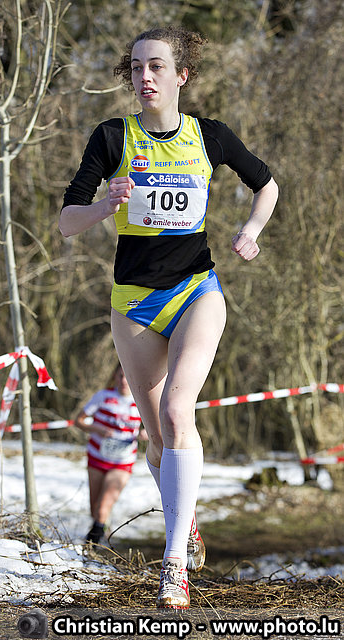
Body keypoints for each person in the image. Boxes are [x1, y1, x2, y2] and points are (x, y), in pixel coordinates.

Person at [59, 26, 278, 609]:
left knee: (179, 412)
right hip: (133, 304)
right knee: (156, 435)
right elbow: (66, 221)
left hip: (195, 291)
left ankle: (174, 564)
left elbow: (267, 185)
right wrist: (104, 205)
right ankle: (189, 519)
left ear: (182, 75)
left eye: (156, 66)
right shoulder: (113, 137)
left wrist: (251, 230)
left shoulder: (210, 136)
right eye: (135, 67)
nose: (144, 77)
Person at [74, 364, 147, 544]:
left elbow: (157, 428)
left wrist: (148, 434)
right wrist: (96, 428)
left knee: (102, 509)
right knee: (95, 510)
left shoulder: (142, 402)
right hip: (97, 458)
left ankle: (90, 547)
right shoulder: (103, 396)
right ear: (114, 376)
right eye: (120, 376)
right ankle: (102, 534)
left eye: (127, 376)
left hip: (122, 463)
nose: (123, 381)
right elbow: (78, 421)